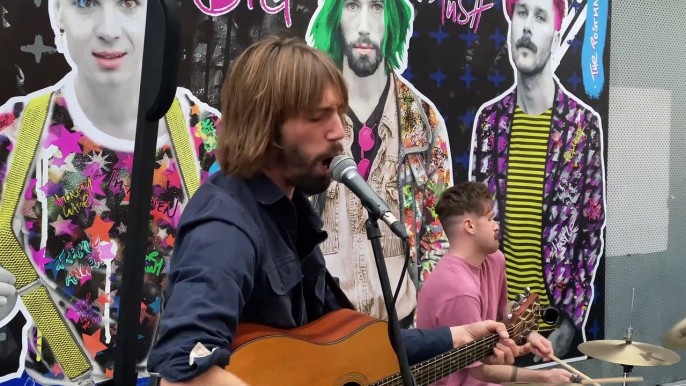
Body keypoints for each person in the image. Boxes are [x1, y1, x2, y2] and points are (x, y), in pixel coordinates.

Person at [146, 35, 525, 386]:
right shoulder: (226, 226)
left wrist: (456, 336)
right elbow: (182, 372)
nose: (338, 131)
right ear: (267, 126)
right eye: (318, 117)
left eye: (338, 113)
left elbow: (345, 341)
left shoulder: (290, 215)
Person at [0, 0, 220, 384]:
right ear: (57, 16)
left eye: (130, 3)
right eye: (85, 3)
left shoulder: (207, 137)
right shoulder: (12, 136)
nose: (108, 28)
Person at [468, 0, 606, 358]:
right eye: (521, 13)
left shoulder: (582, 127)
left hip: (552, 333)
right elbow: (477, 227)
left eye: (540, 16)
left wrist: (570, 322)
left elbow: (591, 233)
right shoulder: (490, 122)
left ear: (556, 34)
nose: (527, 26)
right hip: (497, 331)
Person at [306, 0, 452, 326]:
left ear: (393, 19)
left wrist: (423, 323)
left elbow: (438, 235)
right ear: (334, 15)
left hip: (400, 329)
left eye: (376, 7)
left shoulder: (423, 121)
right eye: (352, 5)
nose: (363, 25)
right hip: (318, 334)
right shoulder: (305, 114)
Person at [416, 181, 576, 385]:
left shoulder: (495, 259)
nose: (496, 225)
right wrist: (544, 377)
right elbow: (481, 371)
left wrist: (528, 334)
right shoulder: (458, 290)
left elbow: (503, 316)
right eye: (490, 219)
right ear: (470, 226)